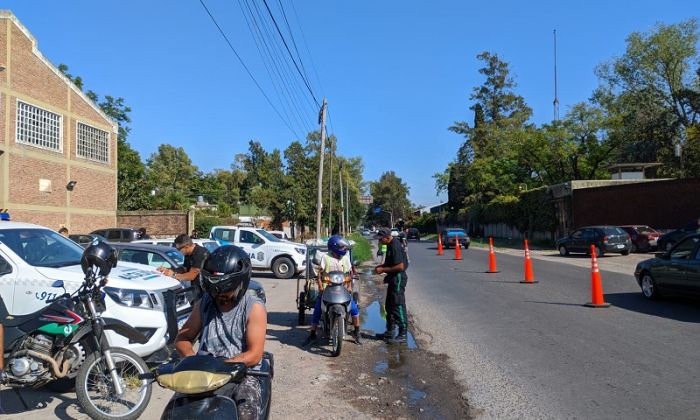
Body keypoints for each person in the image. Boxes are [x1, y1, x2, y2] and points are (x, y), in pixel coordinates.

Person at [175, 245, 267, 420]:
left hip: (243, 374)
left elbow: (254, 355)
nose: (219, 297)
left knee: (245, 415)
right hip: (204, 373)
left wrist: (221, 366)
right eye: (215, 292)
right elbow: (183, 338)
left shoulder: (253, 307)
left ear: (241, 284)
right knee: (175, 411)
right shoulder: (205, 302)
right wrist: (191, 359)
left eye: (225, 292)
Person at [305, 235, 362, 345]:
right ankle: (312, 334)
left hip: (343, 289)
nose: (344, 250)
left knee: (354, 309)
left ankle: (357, 332)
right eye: (342, 247)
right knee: (317, 309)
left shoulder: (345, 259)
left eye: (344, 247)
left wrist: (350, 286)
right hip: (327, 289)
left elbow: (349, 274)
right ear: (334, 247)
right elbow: (320, 274)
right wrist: (321, 287)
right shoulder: (326, 258)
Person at [374, 227, 409, 344]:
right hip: (392, 277)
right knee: (389, 305)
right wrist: (382, 267)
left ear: (387, 237)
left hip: (398, 278)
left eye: (380, 239)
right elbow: (391, 263)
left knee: (397, 304)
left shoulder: (395, 246)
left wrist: (383, 269)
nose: (379, 241)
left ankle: (403, 333)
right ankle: (390, 331)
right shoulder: (389, 244)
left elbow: (400, 266)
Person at [158, 234, 210, 302]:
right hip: (196, 289)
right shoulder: (188, 253)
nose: (178, 251)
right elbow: (184, 269)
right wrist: (169, 270)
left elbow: (191, 275)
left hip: (205, 290)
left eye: (179, 249)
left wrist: (173, 275)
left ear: (187, 246)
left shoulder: (200, 253)